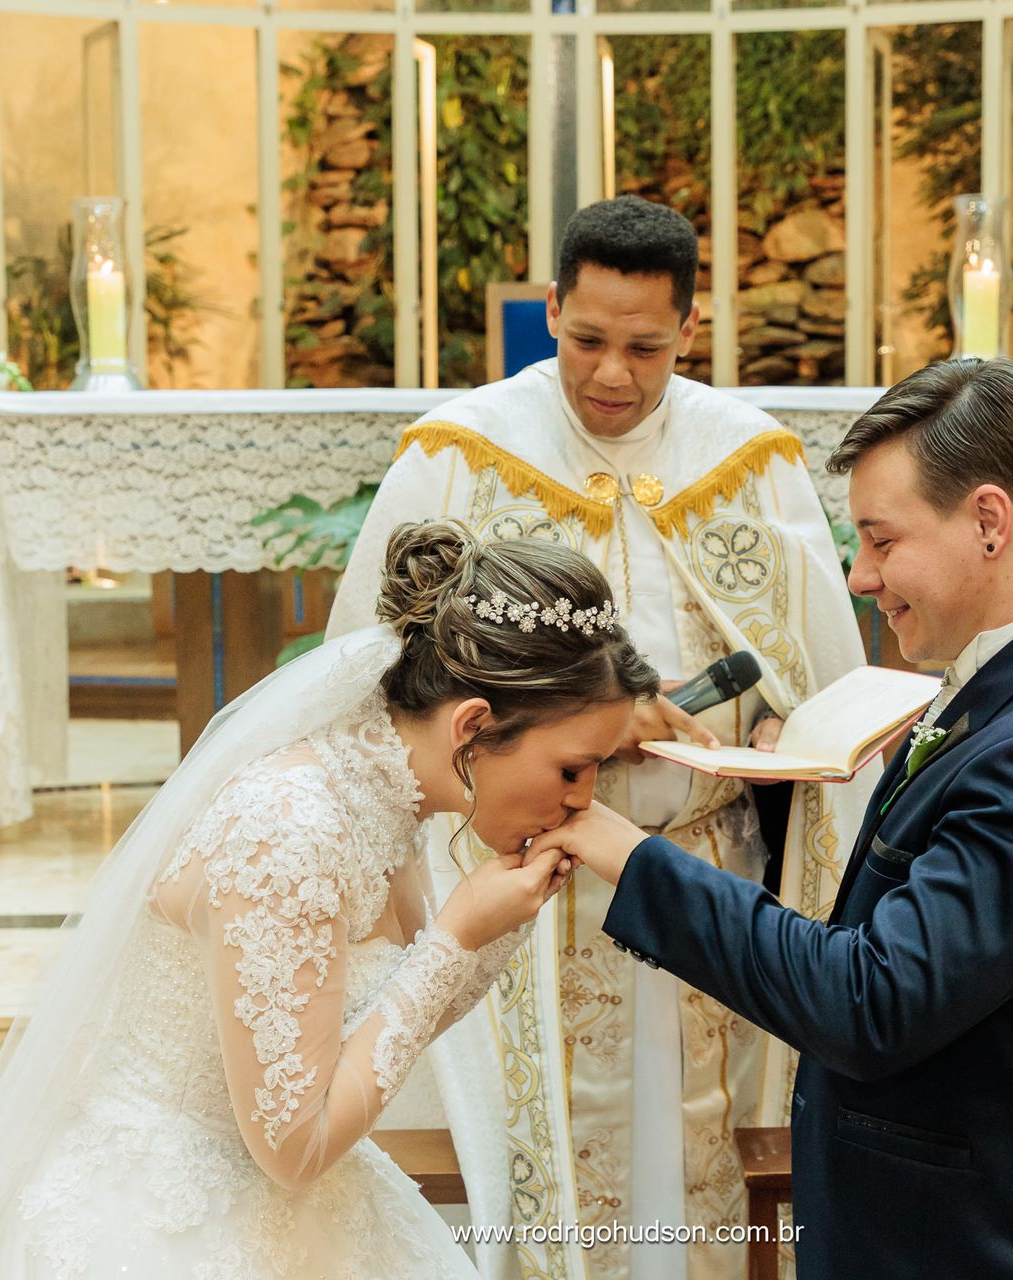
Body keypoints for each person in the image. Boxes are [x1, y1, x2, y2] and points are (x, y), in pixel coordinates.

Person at [533, 357, 1013, 1279]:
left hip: (988, 1249)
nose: (860, 573)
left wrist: (627, 853)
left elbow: (870, 1002)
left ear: (989, 522)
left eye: (881, 539)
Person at [327, 195, 869, 1280]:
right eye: (586, 340)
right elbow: (373, 683)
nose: (611, 375)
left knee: (699, 1175)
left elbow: (822, 679)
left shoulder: (747, 459)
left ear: (690, 326)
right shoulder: (461, 456)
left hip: (698, 878)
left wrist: (766, 723)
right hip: (513, 885)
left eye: (645, 347)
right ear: (553, 310)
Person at [0, 522, 660, 1279]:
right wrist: (457, 934)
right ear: (471, 727)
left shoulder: (388, 792)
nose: (584, 801)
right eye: (572, 769)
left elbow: (391, 1017)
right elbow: (292, 1146)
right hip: (175, 1222)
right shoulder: (290, 831)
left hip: (309, 1210)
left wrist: (489, 926)